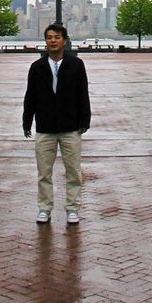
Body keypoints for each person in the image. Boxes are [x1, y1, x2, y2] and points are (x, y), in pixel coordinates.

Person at [23, 23, 91, 225]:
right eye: (49, 37)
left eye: (57, 37)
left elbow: (83, 95)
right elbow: (30, 97)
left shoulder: (76, 65)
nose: (52, 40)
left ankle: (72, 208)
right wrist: (27, 122)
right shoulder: (37, 67)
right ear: (45, 41)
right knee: (44, 172)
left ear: (64, 40)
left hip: (70, 127)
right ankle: (44, 208)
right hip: (45, 127)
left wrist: (84, 121)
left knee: (73, 171)